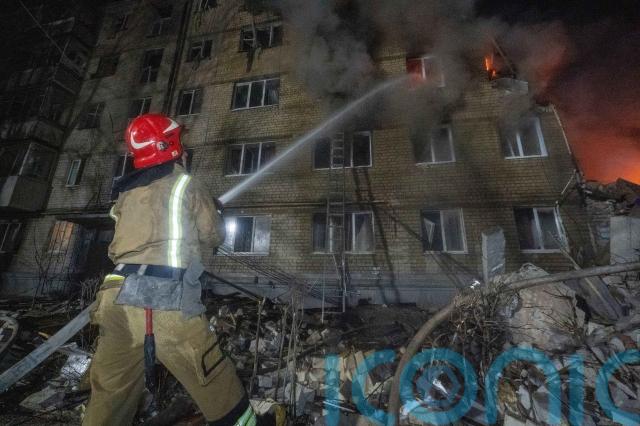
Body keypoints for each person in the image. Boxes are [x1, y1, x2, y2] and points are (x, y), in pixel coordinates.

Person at [84, 113, 255, 426]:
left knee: (109, 395)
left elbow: (119, 245)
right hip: (163, 299)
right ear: (170, 145)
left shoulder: (125, 193)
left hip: (115, 297)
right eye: (180, 141)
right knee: (215, 381)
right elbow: (213, 234)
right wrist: (216, 212)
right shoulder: (186, 183)